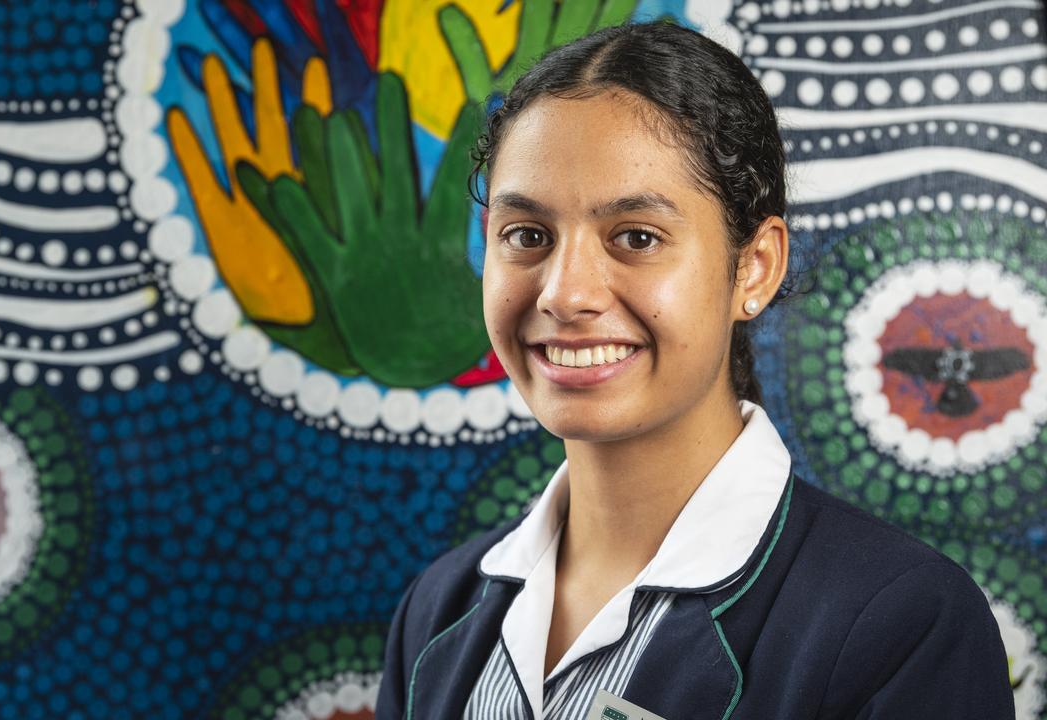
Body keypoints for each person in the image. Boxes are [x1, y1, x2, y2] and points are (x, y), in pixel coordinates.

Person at [374, 20, 1014, 720]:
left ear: (755, 267)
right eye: (527, 236)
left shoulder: (905, 627)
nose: (564, 293)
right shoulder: (438, 608)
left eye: (637, 238)